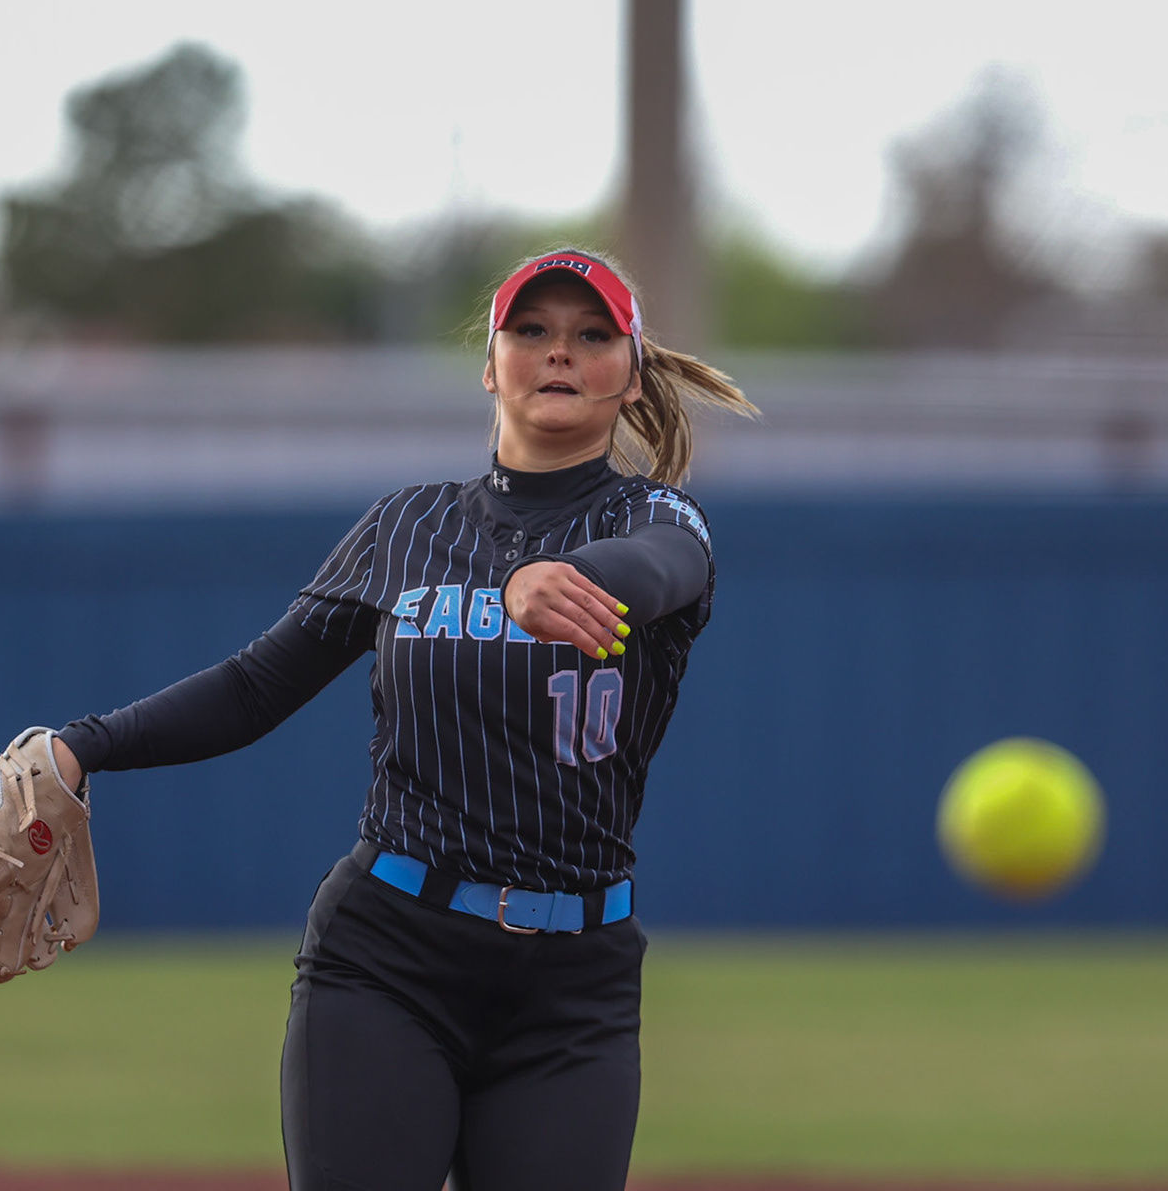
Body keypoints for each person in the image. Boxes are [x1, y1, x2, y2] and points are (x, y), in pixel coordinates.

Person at [44, 248, 756, 1191]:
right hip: (388, 958)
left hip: (574, 986)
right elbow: (259, 687)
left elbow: (666, 567)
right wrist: (78, 747)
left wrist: (573, 578)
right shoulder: (407, 527)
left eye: (592, 337)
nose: (560, 354)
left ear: (630, 376)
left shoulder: (657, 518)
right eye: (531, 332)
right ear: (489, 364)